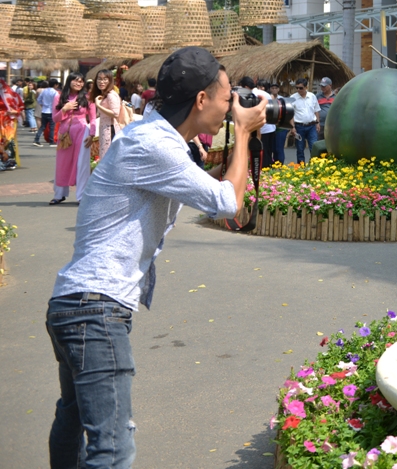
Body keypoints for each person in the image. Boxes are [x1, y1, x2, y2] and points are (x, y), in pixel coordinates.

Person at [45, 46, 266, 468]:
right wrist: (241, 134)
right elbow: (227, 203)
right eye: (227, 99)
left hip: (77, 303)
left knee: (73, 422)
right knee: (112, 448)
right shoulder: (153, 145)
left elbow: (203, 186)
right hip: (96, 310)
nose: (230, 107)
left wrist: (237, 145)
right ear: (201, 99)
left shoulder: (154, 138)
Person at [51, 73, 96, 205]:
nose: (78, 83)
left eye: (81, 81)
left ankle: (81, 196)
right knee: (62, 163)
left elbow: (93, 118)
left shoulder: (88, 98)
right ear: (69, 81)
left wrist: (92, 134)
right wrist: (64, 109)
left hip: (82, 131)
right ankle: (59, 194)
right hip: (65, 133)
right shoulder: (59, 97)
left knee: (82, 164)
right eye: (76, 81)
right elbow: (55, 118)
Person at [91, 69, 123, 161]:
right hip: (105, 128)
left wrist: (98, 105)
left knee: (109, 158)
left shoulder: (111, 95)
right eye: (99, 79)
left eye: (105, 79)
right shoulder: (104, 94)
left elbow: (115, 113)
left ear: (110, 81)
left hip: (111, 129)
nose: (101, 82)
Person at [289, 78, 320, 165]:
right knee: (300, 148)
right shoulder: (293, 98)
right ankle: (301, 167)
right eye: (297, 88)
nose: (298, 90)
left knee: (313, 147)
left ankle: (314, 165)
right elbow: (291, 114)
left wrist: (318, 123)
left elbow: (316, 110)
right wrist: (292, 127)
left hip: (312, 126)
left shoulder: (312, 96)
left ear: (306, 87)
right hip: (299, 126)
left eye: (301, 88)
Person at [251, 79, 278, 167]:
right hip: (271, 127)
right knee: (268, 151)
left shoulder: (254, 93)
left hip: (264, 129)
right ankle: (268, 168)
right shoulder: (267, 95)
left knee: (263, 151)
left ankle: (264, 168)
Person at [35, 78, 59, 146]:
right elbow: (57, 102)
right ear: (55, 85)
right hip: (52, 111)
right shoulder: (55, 92)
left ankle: (36, 139)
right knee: (52, 127)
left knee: (43, 126)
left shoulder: (44, 91)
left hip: (44, 110)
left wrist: (42, 105)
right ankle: (51, 141)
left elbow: (39, 99)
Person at [270, 83, 288, 165]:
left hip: (281, 127)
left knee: (279, 148)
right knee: (273, 148)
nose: (274, 89)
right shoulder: (267, 98)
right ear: (270, 89)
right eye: (272, 88)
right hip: (271, 127)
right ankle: (274, 164)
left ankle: (280, 166)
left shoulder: (282, 99)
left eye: (276, 88)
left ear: (278, 89)